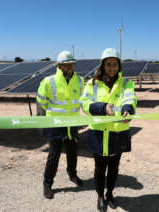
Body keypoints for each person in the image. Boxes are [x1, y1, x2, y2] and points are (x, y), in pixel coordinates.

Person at [80, 48, 137, 212]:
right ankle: (100, 196)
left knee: (114, 168)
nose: (112, 68)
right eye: (108, 64)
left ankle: (110, 193)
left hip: (118, 133)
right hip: (98, 133)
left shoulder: (127, 83)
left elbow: (130, 98)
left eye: (114, 64)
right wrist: (102, 107)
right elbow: (84, 103)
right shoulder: (92, 83)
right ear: (103, 66)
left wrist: (128, 110)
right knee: (99, 169)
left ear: (119, 66)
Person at [36, 50, 84, 199]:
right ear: (60, 66)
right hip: (55, 125)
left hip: (72, 124)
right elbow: (41, 103)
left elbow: (85, 101)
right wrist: (42, 122)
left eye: (72, 64)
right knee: (54, 155)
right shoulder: (48, 81)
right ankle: (47, 184)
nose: (70, 67)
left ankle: (73, 175)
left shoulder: (80, 81)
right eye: (67, 65)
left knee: (72, 152)